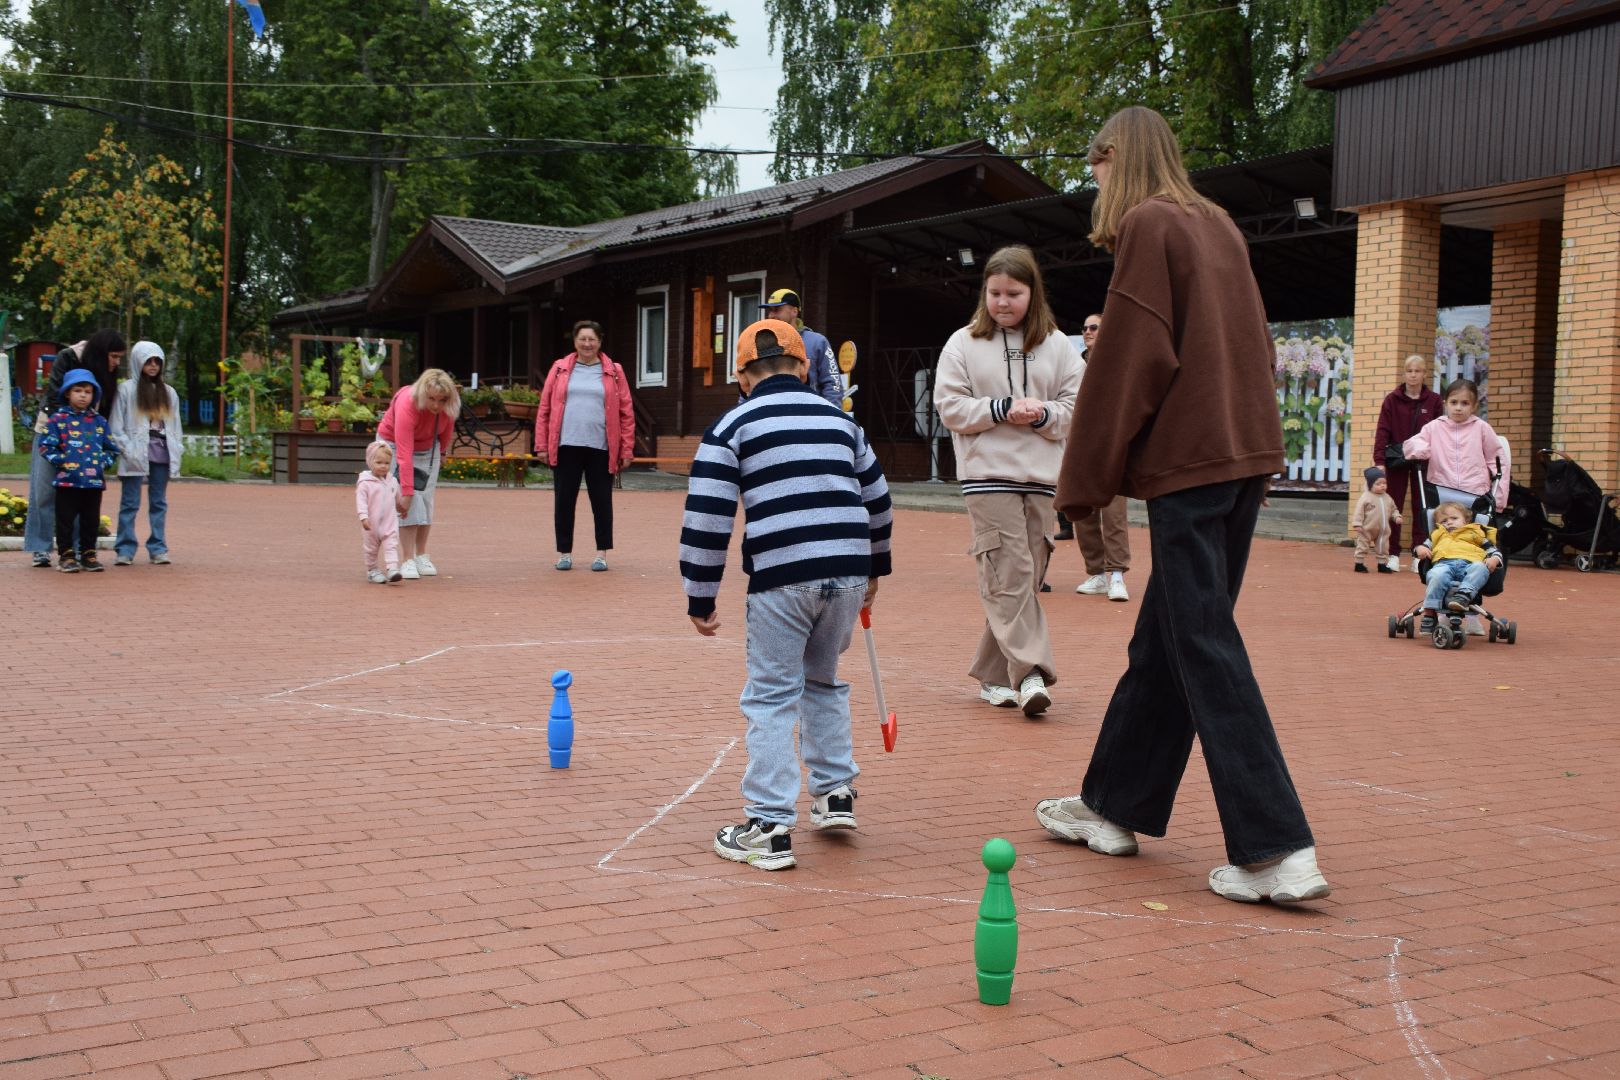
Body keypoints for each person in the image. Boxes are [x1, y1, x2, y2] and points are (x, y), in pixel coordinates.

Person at [1036, 106, 1330, 905]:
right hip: (1242, 456)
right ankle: (1112, 807)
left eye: (1093, 168)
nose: (1092, 186)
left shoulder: (1150, 225)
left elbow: (1131, 357)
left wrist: (1080, 483)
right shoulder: (1218, 224)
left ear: (1111, 158)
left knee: (1201, 641)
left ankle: (1277, 849)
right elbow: (1256, 344)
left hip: (1193, 462)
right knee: (1169, 636)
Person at [680, 319, 892, 871]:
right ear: (803, 367)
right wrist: (875, 570)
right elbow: (878, 498)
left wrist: (700, 597)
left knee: (772, 695)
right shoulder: (842, 422)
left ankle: (769, 825)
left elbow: (708, 519)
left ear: (742, 376)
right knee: (824, 679)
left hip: (781, 577)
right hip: (846, 572)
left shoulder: (732, 425)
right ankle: (834, 792)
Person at [935, 245, 1083, 717]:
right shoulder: (962, 342)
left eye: (1013, 294)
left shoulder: (1058, 345)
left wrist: (1043, 413)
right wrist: (999, 408)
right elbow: (950, 406)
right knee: (1011, 570)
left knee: (1024, 576)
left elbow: (1078, 407)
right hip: (986, 475)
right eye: (994, 292)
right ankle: (1032, 673)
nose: (1002, 302)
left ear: (1032, 294)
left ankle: (993, 674)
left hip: (1041, 477)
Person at [536, 321, 636, 572]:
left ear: (600, 342)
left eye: (592, 339)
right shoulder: (559, 369)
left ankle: (601, 553)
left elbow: (626, 411)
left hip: (601, 447)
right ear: (575, 341)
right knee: (564, 501)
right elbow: (545, 409)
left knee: (601, 501)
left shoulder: (614, 371)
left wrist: (626, 449)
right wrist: (541, 445)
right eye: (582, 339)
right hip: (566, 444)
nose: (587, 344)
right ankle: (564, 553)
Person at [23, 329, 126, 568]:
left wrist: (100, 450)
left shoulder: (107, 373)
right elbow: (54, 397)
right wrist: (65, 433)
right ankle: (40, 548)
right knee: (43, 492)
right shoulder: (68, 357)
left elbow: (105, 409)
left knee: (81, 495)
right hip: (52, 431)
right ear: (101, 353)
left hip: (89, 442)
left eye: (119, 357)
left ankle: (80, 551)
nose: (117, 362)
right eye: (113, 356)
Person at [1068, 311, 1133, 601]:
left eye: (1094, 327)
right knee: (1082, 512)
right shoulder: (1074, 366)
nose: (1087, 331)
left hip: (1112, 446)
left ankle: (1117, 574)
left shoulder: (1120, 365)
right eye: (1084, 327)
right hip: (1079, 447)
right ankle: (1096, 574)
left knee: (1114, 511)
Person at [376, 368, 459, 579]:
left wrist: (441, 453)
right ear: (422, 393)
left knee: (426, 499)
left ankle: (422, 554)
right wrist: (407, 490)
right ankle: (406, 559)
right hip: (394, 444)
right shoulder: (408, 403)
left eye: (441, 400)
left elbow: (446, 433)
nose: (436, 405)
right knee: (408, 500)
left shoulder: (448, 407)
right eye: (431, 399)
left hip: (428, 446)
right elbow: (404, 454)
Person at [109, 341, 184, 566]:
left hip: (162, 452)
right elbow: (116, 425)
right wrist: (128, 449)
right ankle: (125, 549)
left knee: (159, 502)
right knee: (130, 503)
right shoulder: (126, 390)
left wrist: (177, 449)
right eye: (148, 361)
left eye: (157, 362)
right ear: (137, 362)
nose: (152, 366)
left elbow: (176, 427)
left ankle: (158, 548)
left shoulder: (169, 392)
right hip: (135, 452)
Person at [37, 369, 117, 573]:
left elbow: (112, 448)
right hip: (67, 481)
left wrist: (102, 463)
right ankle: (66, 556)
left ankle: (89, 554)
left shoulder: (99, 422)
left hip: (93, 483)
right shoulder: (58, 419)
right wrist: (62, 462)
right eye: (78, 390)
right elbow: (46, 446)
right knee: (65, 520)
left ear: (94, 395)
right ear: (67, 393)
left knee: (91, 520)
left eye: (88, 391)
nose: (83, 395)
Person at [1372, 354, 1444, 568]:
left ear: (1424, 374)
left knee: (1422, 505)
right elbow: (1382, 430)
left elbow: (1440, 432)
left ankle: (1418, 554)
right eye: (1409, 371)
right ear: (1405, 373)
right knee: (1394, 505)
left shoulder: (1434, 401)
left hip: (1423, 461)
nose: (1413, 375)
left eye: (1417, 371)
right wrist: (1379, 461)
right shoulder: (1392, 400)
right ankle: (1392, 554)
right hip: (1396, 459)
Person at [1400, 378, 1511, 515]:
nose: (1458, 408)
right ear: (1445, 404)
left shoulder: (1482, 428)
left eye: (1465, 403)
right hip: (1441, 490)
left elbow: (1499, 463)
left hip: (1475, 492)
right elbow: (1410, 445)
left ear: (1474, 406)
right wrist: (1420, 449)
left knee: (1472, 534)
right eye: (1454, 402)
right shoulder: (1434, 427)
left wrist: (1498, 499)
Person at [1413, 501, 1502, 633]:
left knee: (1480, 567)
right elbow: (1423, 547)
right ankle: (1430, 614)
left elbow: (1494, 551)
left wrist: (1494, 559)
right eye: (1443, 521)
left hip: (1470, 565)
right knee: (1436, 575)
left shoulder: (1476, 533)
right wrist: (1419, 549)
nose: (1449, 522)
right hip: (1444, 564)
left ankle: (1463, 596)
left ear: (1466, 521)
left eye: (1454, 518)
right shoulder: (1437, 534)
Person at [758, 289, 843, 407]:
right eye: (770, 311)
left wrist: (830, 416)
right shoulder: (762, 342)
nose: (771, 315)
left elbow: (834, 384)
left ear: (794, 311)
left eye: (777, 310)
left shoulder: (817, 342)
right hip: (772, 416)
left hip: (811, 416)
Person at [356, 441, 404, 584]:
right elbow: (361, 501)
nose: (383, 466)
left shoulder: (392, 481)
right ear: (370, 462)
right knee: (371, 549)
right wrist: (363, 517)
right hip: (371, 525)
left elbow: (397, 496)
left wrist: (401, 508)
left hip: (389, 523)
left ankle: (392, 568)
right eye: (379, 462)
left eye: (387, 463)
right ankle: (372, 570)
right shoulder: (365, 483)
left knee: (391, 545)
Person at [1351, 466, 1401, 574]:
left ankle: (1382, 565)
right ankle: (1359, 563)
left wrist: (1396, 516)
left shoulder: (1387, 497)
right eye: (1378, 484)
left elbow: (1393, 509)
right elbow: (1359, 511)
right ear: (1370, 485)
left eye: (1384, 483)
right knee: (1363, 545)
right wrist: (1357, 523)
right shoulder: (1366, 497)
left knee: (1383, 547)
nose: (1382, 486)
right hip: (1366, 529)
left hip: (1383, 530)